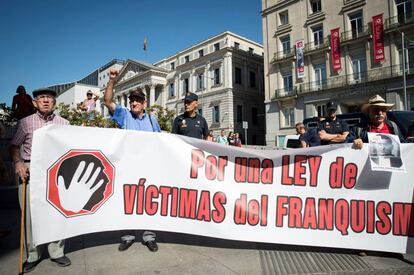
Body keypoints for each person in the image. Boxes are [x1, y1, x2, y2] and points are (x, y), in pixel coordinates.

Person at [10, 88, 71, 273]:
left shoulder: (64, 123)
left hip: (56, 170)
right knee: (29, 215)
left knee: (58, 211)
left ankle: (56, 251)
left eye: (49, 98)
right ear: (35, 102)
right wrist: (19, 163)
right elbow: (14, 146)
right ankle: (33, 254)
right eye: (41, 98)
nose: (45, 101)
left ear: (54, 103)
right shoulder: (25, 123)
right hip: (29, 169)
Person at [104, 68, 160, 253]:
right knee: (128, 201)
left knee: (149, 201)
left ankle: (149, 236)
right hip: (128, 167)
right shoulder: (124, 115)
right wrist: (112, 80)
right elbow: (108, 101)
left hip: (149, 167)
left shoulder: (153, 120)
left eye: (137, 100)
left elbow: (161, 143)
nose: (134, 102)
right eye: (132, 100)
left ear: (144, 103)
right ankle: (128, 236)